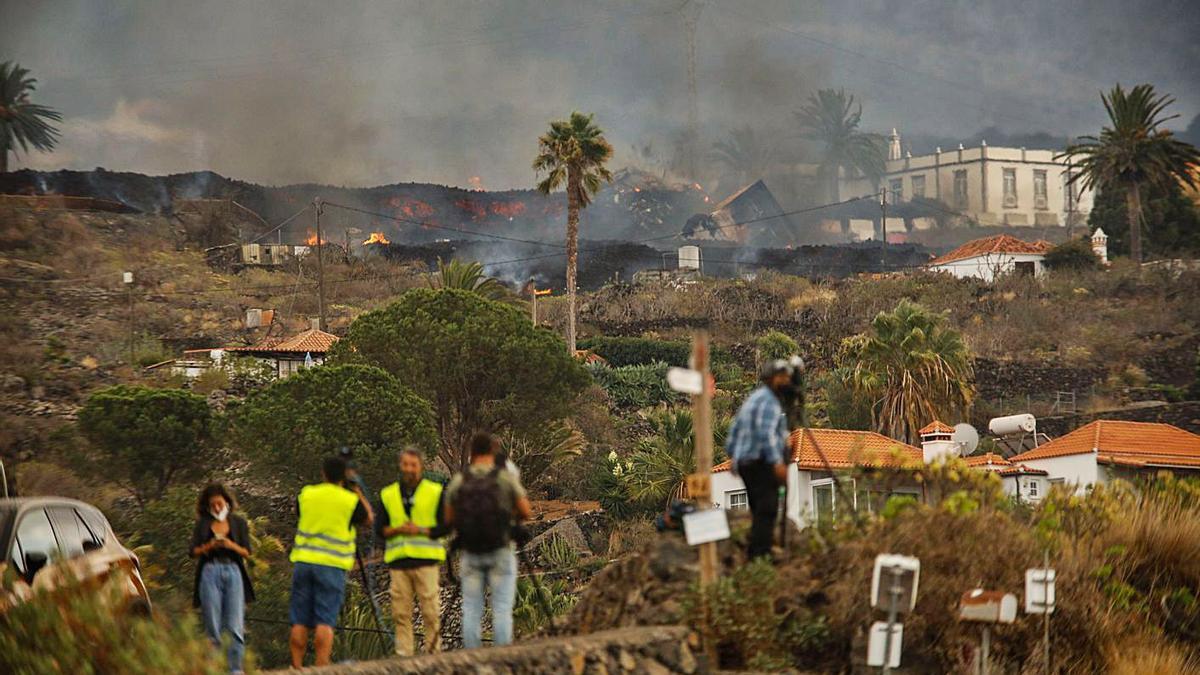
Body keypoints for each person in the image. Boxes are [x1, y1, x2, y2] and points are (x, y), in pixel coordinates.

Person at [444, 432, 531, 649]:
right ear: (492, 451)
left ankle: (472, 663)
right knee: (501, 609)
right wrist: (510, 519)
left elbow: (448, 519)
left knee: (472, 609)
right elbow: (526, 511)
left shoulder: (459, 481)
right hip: (500, 550)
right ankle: (500, 663)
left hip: (471, 553)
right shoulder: (503, 478)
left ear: (472, 453)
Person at [288, 456, 373, 669]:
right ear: (344, 476)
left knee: (299, 620)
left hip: (304, 562)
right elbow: (368, 519)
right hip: (331, 565)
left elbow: (297, 513)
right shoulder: (349, 500)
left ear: (323, 474)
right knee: (324, 621)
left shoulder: (307, 494)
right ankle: (321, 666)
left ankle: (296, 666)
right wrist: (357, 491)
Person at [374, 447, 449, 656]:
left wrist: (420, 530)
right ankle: (404, 656)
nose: (409, 469)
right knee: (400, 613)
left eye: (413, 465)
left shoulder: (434, 492)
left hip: (426, 561)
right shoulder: (388, 495)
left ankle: (433, 654)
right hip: (399, 563)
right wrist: (397, 530)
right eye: (406, 464)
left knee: (431, 611)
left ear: (421, 467)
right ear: (400, 466)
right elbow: (380, 529)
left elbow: (445, 526)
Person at [726, 359, 795, 560]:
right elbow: (766, 434)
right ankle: (760, 556)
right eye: (783, 377)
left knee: (757, 508)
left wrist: (732, 455)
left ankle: (756, 552)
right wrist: (777, 462)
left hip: (746, 462)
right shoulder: (770, 402)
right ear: (774, 379)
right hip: (760, 461)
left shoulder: (754, 398)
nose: (787, 381)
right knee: (767, 508)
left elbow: (735, 428)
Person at [190, 483, 254, 675]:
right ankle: (214, 668)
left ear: (226, 502)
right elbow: (192, 551)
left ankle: (235, 669)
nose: (217, 508)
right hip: (210, 571)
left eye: (219, 503)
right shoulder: (203, 524)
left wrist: (230, 545)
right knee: (212, 624)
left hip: (233, 571)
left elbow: (247, 552)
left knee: (234, 625)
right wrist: (209, 545)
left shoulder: (238, 523)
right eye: (213, 505)